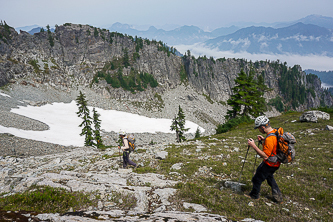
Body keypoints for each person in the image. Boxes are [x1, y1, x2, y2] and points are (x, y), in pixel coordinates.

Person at [245, 116, 283, 203]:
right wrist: (263, 140)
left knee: (257, 179)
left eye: (258, 128)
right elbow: (273, 146)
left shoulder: (270, 138)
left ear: (262, 127)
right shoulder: (274, 132)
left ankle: (254, 196)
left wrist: (253, 145)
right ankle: (278, 198)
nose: (259, 130)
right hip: (276, 163)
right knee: (270, 177)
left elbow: (265, 156)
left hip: (269, 164)